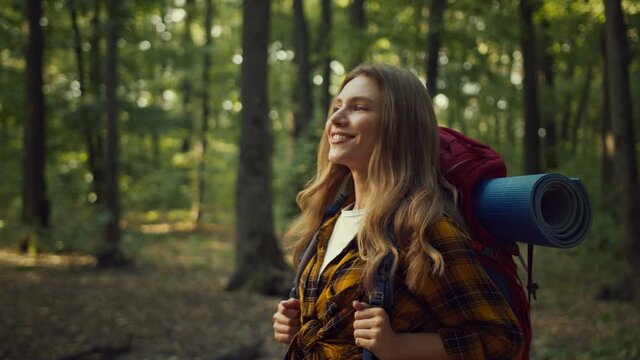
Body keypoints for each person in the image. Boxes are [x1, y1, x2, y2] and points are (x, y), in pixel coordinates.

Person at [272, 63, 524, 359]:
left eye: (359, 108)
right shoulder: (330, 221)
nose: (336, 119)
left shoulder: (422, 228)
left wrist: (399, 346)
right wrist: (299, 327)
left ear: (398, 126)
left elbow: (502, 338)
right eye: (337, 107)